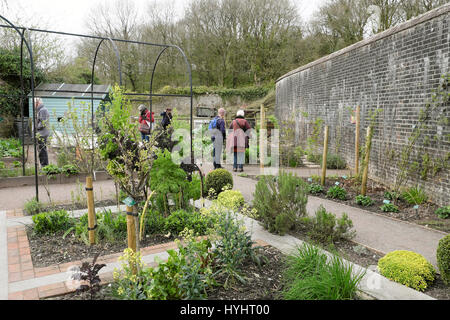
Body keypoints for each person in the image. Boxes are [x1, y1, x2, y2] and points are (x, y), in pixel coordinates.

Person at [33, 97, 50, 167]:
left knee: (42, 151)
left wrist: (35, 127)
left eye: (34, 103)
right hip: (41, 133)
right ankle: (44, 166)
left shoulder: (43, 110)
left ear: (38, 103)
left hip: (42, 134)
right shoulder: (40, 110)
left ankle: (44, 166)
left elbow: (43, 123)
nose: (33, 105)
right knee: (41, 150)